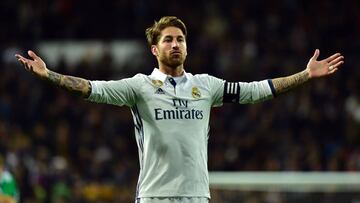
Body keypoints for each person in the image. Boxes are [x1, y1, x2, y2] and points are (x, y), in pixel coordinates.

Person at [15, 16, 344, 203]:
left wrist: (305, 75)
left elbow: (254, 91)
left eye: (181, 39)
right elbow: (92, 89)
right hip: (154, 197)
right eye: (169, 39)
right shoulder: (139, 86)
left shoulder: (207, 86)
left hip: (197, 197)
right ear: (154, 49)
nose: (176, 44)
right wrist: (50, 75)